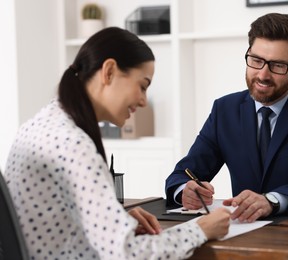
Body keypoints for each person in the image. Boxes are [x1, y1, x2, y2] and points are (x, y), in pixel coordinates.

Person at [3, 27, 230, 260]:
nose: (143, 101)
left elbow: (54, 220)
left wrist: (116, 220)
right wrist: (200, 229)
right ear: (109, 71)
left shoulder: (40, 125)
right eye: (142, 85)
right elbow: (125, 253)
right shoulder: (74, 144)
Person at [165, 13, 288, 223]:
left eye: (277, 65)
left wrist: (271, 201)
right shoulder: (225, 110)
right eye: (256, 60)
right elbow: (184, 173)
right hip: (243, 231)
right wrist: (185, 190)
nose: (262, 75)